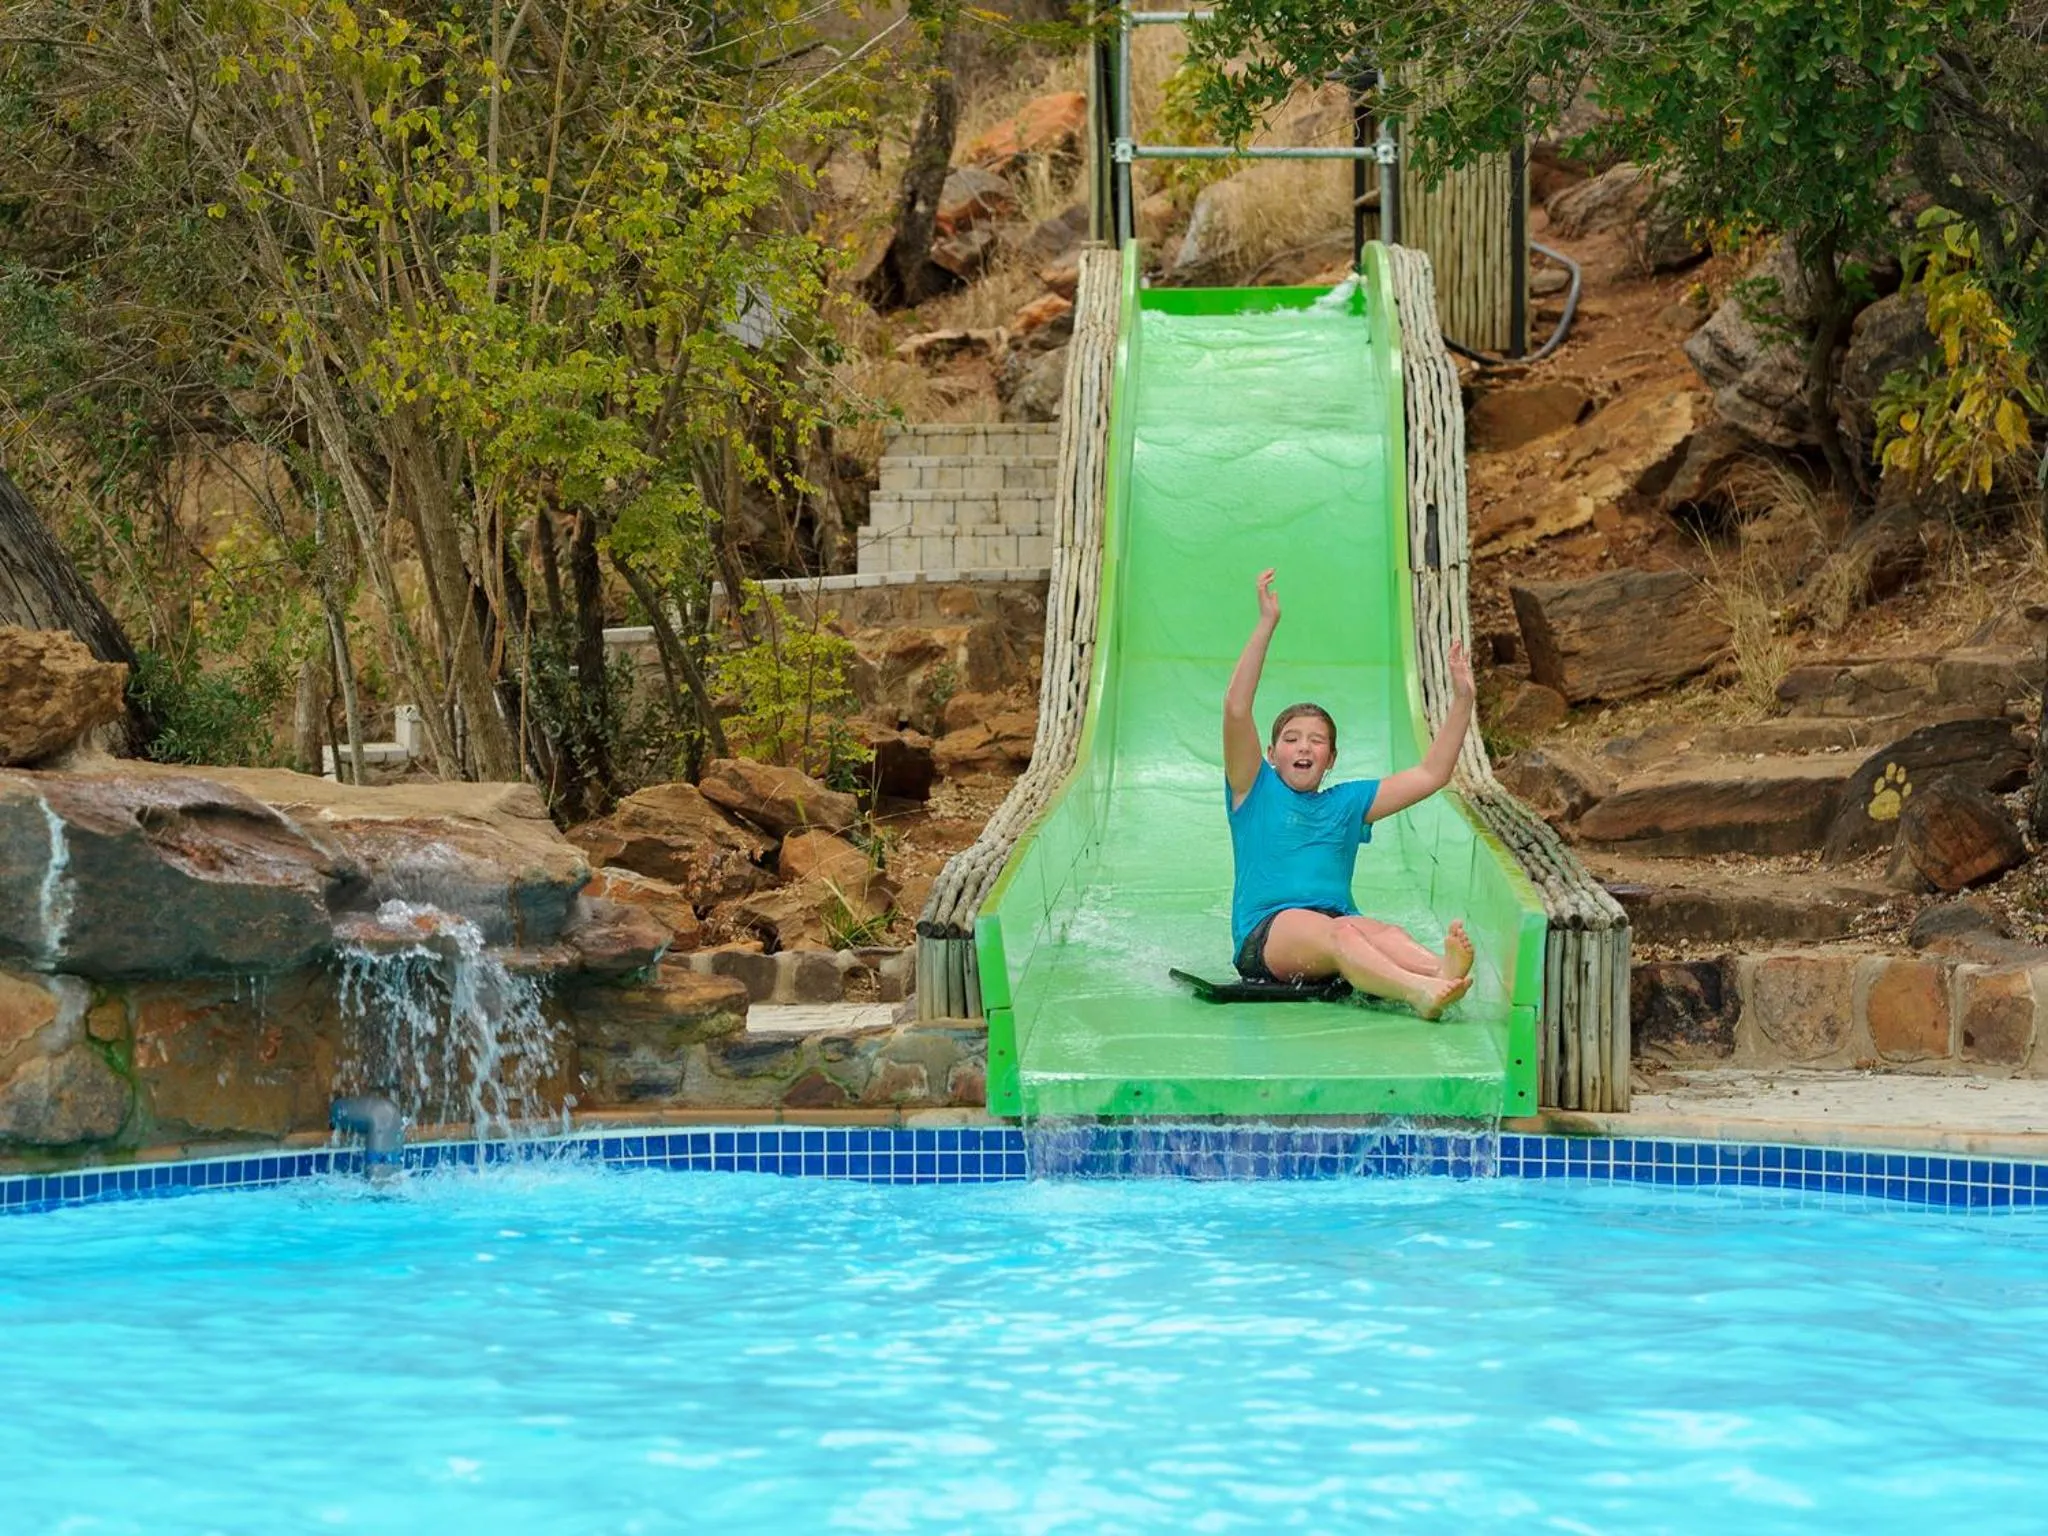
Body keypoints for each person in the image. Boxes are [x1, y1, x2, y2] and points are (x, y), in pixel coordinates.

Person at [1223, 568, 1476, 1018]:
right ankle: (1417, 990)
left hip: (1339, 925)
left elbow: (1432, 773)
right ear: (1271, 752)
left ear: (1331, 758)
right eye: (1292, 738)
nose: (1304, 746)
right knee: (1343, 936)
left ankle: (1438, 969)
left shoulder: (1346, 804)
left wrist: (1462, 701)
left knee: (1386, 934)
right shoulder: (1252, 789)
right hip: (1268, 936)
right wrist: (1266, 625)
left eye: (1317, 741)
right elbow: (1236, 707)